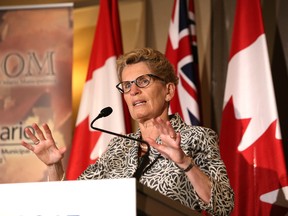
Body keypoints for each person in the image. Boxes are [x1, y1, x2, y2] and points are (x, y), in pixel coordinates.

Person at [22, 48, 234, 215]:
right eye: (126, 85)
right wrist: (54, 166)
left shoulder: (196, 138)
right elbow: (75, 198)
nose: (133, 90)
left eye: (143, 81)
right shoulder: (119, 147)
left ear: (168, 91)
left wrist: (185, 162)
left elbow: (223, 205)